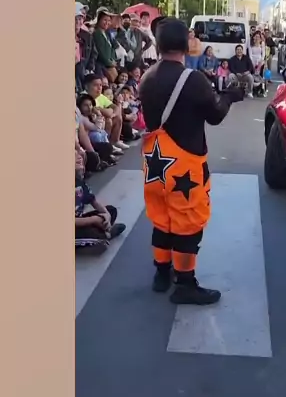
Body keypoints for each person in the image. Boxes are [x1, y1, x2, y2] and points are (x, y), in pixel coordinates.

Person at [138, 17, 244, 305]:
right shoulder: (192, 79)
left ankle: (162, 273)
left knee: (162, 218)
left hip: (156, 163)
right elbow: (215, 115)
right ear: (185, 44)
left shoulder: (147, 77)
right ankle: (185, 283)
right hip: (185, 164)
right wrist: (230, 97)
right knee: (187, 222)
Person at [75, 149, 126, 256]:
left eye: (78, 155)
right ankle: (103, 235)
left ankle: (104, 232)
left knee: (111, 210)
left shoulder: (78, 181)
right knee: (95, 236)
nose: (79, 157)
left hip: (80, 221)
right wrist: (93, 220)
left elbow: (94, 201)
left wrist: (106, 214)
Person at [84, 74, 129, 151]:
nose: (99, 88)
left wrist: (113, 114)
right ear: (87, 87)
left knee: (117, 117)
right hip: (90, 129)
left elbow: (115, 107)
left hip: (100, 124)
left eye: (100, 85)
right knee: (108, 120)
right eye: (95, 85)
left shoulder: (100, 96)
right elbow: (106, 113)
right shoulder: (85, 98)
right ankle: (106, 145)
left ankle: (114, 142)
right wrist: (108, 112)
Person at [92, 8, 119, 83]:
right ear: (99, 20)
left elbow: (112, 48)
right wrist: (110, 63)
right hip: (100, 65)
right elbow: (100, 52)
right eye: (105, 20)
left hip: (109, 64)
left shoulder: (107, 33)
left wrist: (113, 60)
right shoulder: (96, 33)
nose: (107, 22)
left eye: (109, 20)